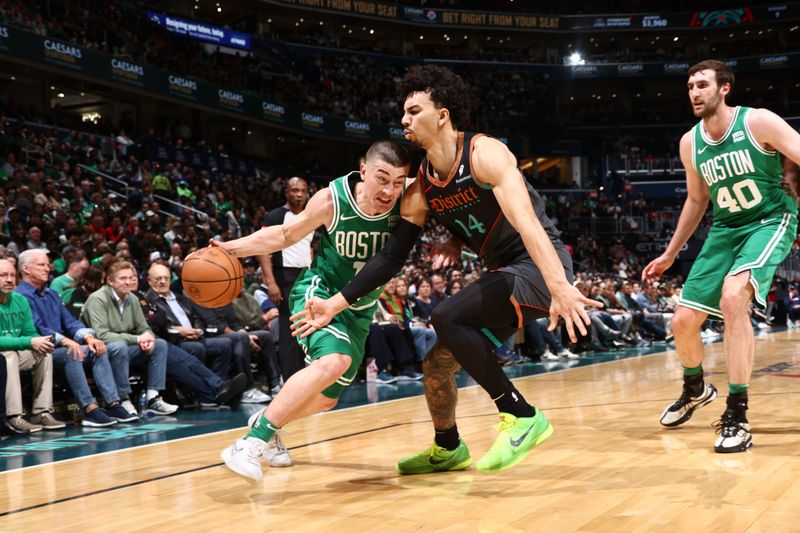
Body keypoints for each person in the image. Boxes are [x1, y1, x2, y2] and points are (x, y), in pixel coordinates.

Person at [293, 65, 600, 474]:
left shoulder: (485, 154)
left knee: (445, 315)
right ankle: (448, 446)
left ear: (442, 115)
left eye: (414, 110)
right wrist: (337, 302)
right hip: (506, 277)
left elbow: (528, 224)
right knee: (437, 365)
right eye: (403, 112)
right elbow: (390, 258)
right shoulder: (420, 187)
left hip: (538, 266)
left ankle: (522, 415)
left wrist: (559, 286)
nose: (404, 119)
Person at [216, 140, 411, 483]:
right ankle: (250, 442)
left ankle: (268, 421)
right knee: (336, 361)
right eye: (382, 178)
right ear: (363, 171)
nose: (390, 190)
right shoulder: (333, 199)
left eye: (398, 182)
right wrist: (233, 248)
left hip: (359, 310)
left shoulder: (409, 203)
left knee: (324, 402)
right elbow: (287, 233)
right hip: (318, 295)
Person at [643, 60, 800, 453]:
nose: (694, 92)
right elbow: (697, 201)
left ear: (724, 88)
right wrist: (669, 253)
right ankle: (695, 388)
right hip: (725, 229)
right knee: (682, 321)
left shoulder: (758, 122)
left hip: (769, 219)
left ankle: (737, 413)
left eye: (702, 85)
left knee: (733, 298)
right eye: (690, 86)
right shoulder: (690, 142)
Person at [15, 250, 135, 426]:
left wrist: (88, 337)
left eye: (47, 264)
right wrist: (64, 340)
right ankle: (89, 409)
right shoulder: (20, 296)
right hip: (39, 350)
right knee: (72, 352)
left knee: (96, 348)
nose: (48, 268)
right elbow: (36, 328)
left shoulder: (52, 294)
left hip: (61, 347)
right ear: (26, 268)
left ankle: (113, 403)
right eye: (42, 265)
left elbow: (70, 322)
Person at [80, 260, 179, 416]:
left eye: (131, 278)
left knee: (159, 344)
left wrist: (148, 337)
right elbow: (102, 335)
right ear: (110, 281)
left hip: (124, 348)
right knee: (118, 346)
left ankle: (153, 398)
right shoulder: (97, 299)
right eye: (123, 278)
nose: (128, 282)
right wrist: (138, 339)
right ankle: (123, 398)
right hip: (100, 351)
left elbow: (144, 328)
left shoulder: (132, 298)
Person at [258, 176, 312, 382]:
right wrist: (270, 282)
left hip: (306, 276)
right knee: (290, 327)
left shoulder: (310, 216)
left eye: (303, 191)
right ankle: (290, 378)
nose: (299, 195)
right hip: (285, 275)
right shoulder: (276, 216)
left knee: (305, 325)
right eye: (295, 190)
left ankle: (303, 374)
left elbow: (309, 249)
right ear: (287, 192)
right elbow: (262, 250)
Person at [0, 259, 62, 433]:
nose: (10, 279)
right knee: (9, 355)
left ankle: (41, 412)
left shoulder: (20, 300)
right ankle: (14, 416)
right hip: (3, 358)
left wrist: (39, 341)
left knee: (44, 352)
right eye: (3, 275)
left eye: (12, 275)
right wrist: (28, 341)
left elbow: (29, 332)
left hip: (13, 353)